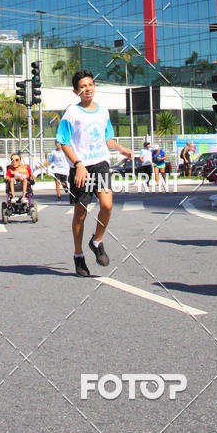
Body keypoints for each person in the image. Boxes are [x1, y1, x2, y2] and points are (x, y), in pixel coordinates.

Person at [56, 69, 133, 277]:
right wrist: (78, 164)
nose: (87, 89)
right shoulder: (72, 113)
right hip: (81, 168)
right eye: (82, 87)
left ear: (94, 86)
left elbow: (107, 139)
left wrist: (121, 149)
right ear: (75, 91)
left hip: (100, 164)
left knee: (107, 204)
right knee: (80, 213)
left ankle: (96, 241)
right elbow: (62, 142)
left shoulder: (103, 111)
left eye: (90, 85)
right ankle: (79, 255)